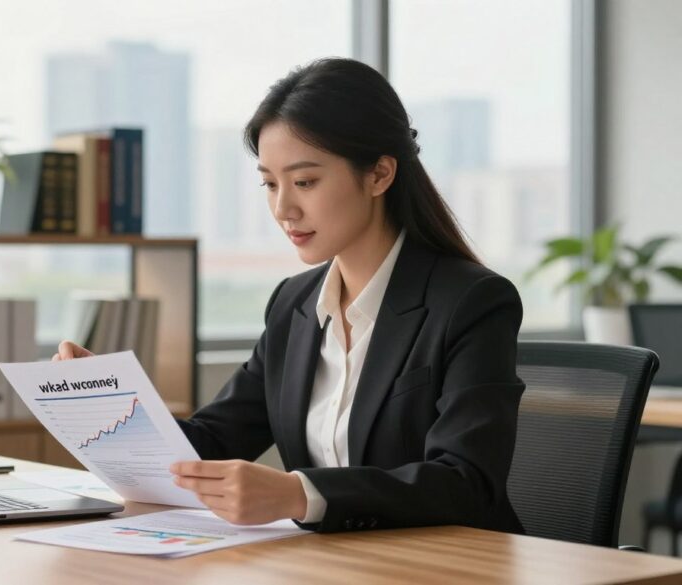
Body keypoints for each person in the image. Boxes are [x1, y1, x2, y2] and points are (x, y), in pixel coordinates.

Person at [54, 57, 525, 534]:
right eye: (269, 183)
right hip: (333, 564)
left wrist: (300, 494)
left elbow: (466, 482)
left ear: (380, 174)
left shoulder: (472, 302)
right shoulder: (293, 305)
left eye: (304, 182)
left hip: (448, 567)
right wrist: (112, 405)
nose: (283, 208)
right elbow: (213, 439)